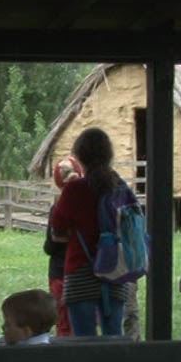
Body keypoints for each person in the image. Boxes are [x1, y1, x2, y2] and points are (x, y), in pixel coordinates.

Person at [50, 128, 129, 337]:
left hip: (80, 270)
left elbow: (56, 232)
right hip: (115, 270)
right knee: (114, 339)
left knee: (84, 344)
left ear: (80, 157)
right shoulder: (121, 188)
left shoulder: (74, 190)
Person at [43, 157, 82, 337]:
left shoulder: (58, 207)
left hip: (61, 272)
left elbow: (49, 247)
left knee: (64, 325)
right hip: (85, 271)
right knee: (84, 325)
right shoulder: (90, 205)